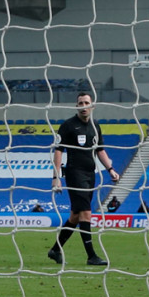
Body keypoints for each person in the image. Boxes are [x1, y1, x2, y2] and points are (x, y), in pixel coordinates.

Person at [49, 92, 120, 266]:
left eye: (86, 102)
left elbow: (100, 149)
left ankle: (55, 250)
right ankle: (91, 256)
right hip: (74, 174)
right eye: (80, 103)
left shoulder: (95, 126)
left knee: (75, 216)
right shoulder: (68, 126)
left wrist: (110, 168)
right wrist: (56, 177)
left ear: (92, 106)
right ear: (77, 106)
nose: (83, 106)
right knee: (86, 213)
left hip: (90, 174)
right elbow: (58, 151)